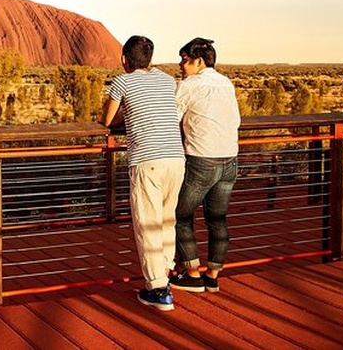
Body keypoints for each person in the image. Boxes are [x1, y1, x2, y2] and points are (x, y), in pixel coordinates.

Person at [103, 35, 185, 311]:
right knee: (167, 220)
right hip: (176, 158)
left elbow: (107, 119)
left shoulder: (122, 81)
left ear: (125, 59)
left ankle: (158, 289)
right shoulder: (167, 80)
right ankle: (164, 273)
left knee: (147, 224)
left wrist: (127, 113)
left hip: (147, 160)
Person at [170, 38, 241, 294]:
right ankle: (212, 276)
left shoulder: (189, 85)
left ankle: (191, 274)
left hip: (202, 160)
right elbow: (236, 119)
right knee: (217, 219)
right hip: (230, 159)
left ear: (198, 61)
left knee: (180, 215)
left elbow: (172, 117)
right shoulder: (225, 82)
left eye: (184, 59)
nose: (180, 64)